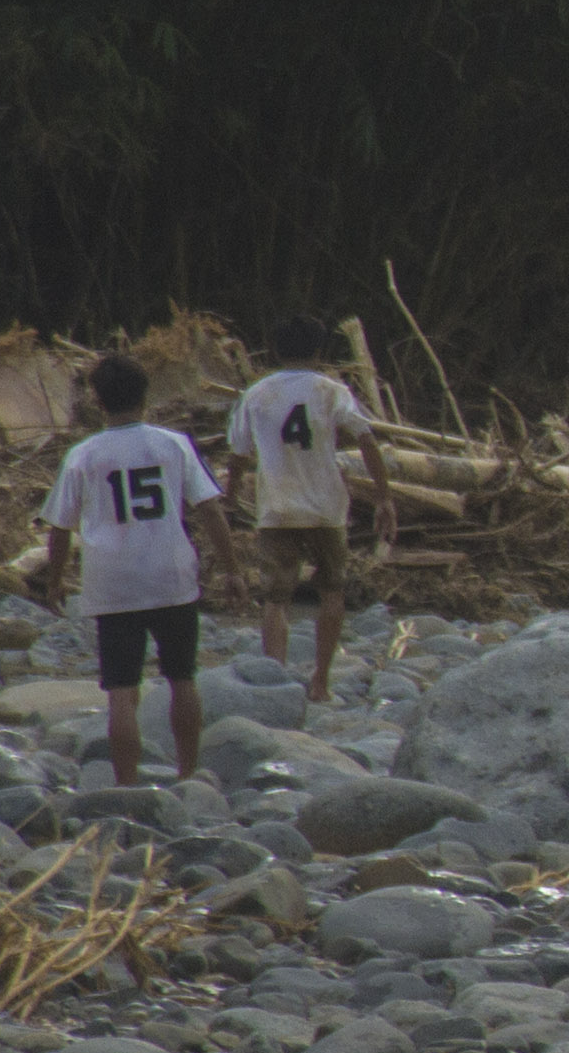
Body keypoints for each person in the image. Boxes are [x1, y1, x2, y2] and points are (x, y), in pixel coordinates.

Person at [35, 351, 244, 789]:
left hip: (112, 583)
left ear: (97, 400)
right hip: (171, 576)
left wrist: (54, 580)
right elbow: (210, 512)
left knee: (121, 691)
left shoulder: (83, 454)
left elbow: (59, 527)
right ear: (146, 395)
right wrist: (232, 568)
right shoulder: (173, 445)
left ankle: (126, 785)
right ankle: (187, 773)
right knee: (182, 677)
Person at [221, 316, 395, 704]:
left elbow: (237, 457)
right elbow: (366, 439)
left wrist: (230, 501)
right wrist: (384, 497)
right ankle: (321, 682)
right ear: (319, 351)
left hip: (276, 507)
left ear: (275, 349)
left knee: (275, 597)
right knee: (332, 591)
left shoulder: (257, 394)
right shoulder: (330, 391)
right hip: (326, 507)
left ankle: (277, 681)